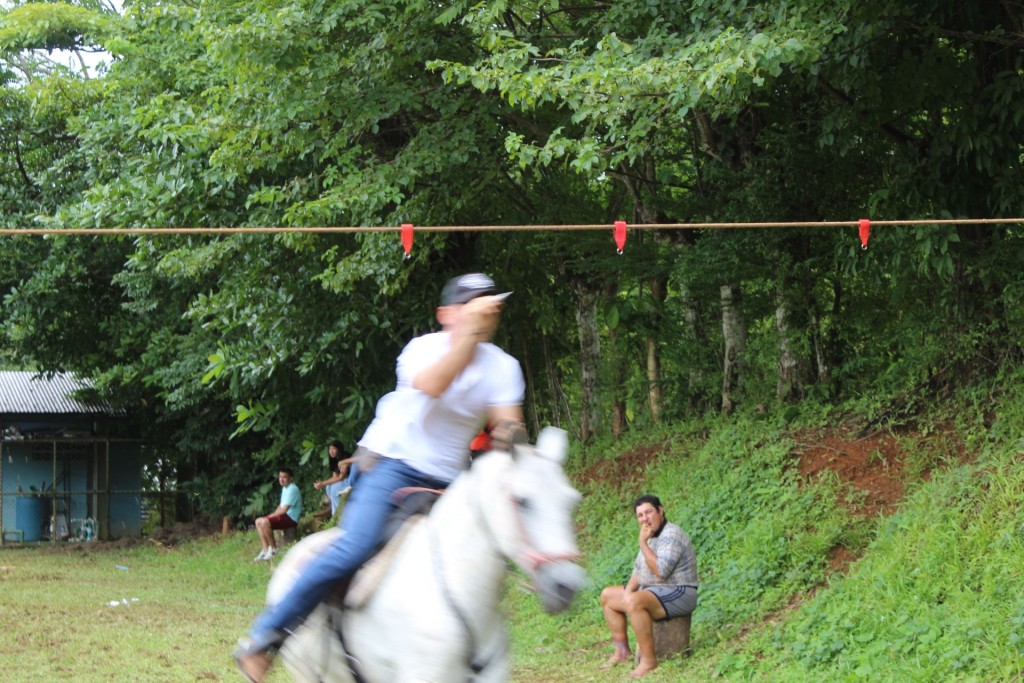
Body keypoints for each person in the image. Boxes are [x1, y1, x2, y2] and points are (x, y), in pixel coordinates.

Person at [235, 273, 526, 682]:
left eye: (489, 303)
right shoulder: (421, 350)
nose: (485, 311)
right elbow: (434, 386)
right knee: (355, 547)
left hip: (452, 479)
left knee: (485, 552)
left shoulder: (504, 366)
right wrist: (468, 337)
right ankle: (265, 637)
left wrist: (515, 449)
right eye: (471, 304)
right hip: (392, 465)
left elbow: (508, 429)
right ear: (446, 314)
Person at [599, 494, 698, 679]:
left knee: (636, 602)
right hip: (654, 591)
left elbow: (661, 571)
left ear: (660, 511)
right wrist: (627, 594)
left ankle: (649, 662)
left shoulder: (672, 534)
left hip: (679, 591)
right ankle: (622, 652)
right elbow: (638, 572)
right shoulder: (650, 537)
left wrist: (642, 543)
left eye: (649, 512)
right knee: (608, 596)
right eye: (640, 515)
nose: (645, 519)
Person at [253, 468, 303, 562]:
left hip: (291, 518)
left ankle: (274, 549)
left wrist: (269, 517)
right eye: (280, 477)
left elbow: (284, 510)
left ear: (291, 478)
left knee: (265, 522)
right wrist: (271, 515)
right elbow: (281, 505)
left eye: (284, 477)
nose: (281, 479)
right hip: (285, 516)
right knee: (258, 521)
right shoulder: (285, 488)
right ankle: (265, 549)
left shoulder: (293, 489)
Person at [313, 440, 358, 516]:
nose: (331, 451)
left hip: (351, 479)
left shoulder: (345, 457)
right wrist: (322, 483)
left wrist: (322, 483)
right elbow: (335, 477)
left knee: (334, 489)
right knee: (328, 487)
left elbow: (341, 478)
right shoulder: (334, 460)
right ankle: (338, 507)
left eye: (333, 448)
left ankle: (337, 515)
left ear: (339, 449)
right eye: (329, 449)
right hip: (344, 479)